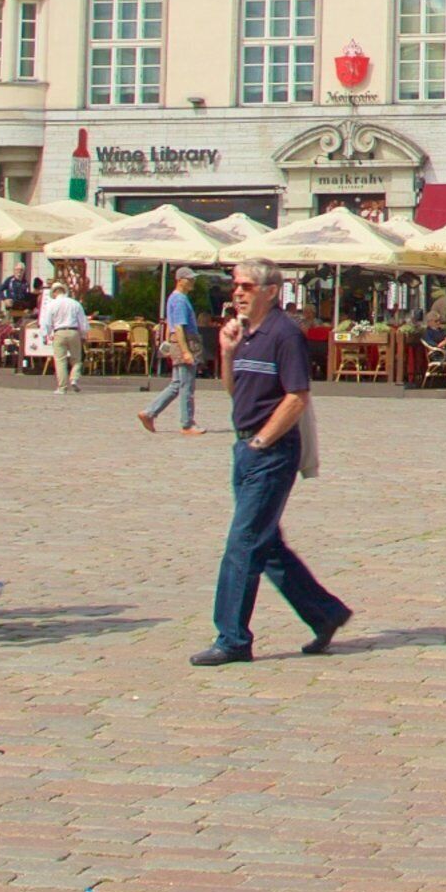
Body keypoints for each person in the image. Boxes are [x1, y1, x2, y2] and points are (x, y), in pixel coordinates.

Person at [189, 259, 349, 665]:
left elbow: (297, 396)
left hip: (271, 452)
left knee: (242, 543)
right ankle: (325, 612)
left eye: (246, 286)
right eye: (235, 286)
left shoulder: (284, 334)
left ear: (271, 291)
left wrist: (262, 441)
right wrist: (225, 354)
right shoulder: (243, 335)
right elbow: (234, 391)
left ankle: (232, 639)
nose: (238, 293)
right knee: (267, 544)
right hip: (245, 449)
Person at [141, 272, 204, 435]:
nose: (193, 281)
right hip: (186, 342)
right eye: (190, 279)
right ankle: (187, 423)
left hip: (180, 342)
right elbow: (179, 327)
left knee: (177, 384)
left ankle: (149, 412)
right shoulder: (180, 300)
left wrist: (169, 343)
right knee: (186, 385)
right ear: (180, 281)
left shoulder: (175, 298)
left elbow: (171, 326)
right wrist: (185, 351)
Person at [39, 276, 89, 395]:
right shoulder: (74, 304)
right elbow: (83, 322)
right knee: (77, 358)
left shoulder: (51, 305)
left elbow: (46, 322)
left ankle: (62, 387)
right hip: (73, 331)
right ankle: (74, 378)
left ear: (55, 292)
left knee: (60, 360)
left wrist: (44, 335)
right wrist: (83, 335)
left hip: (59, 332)